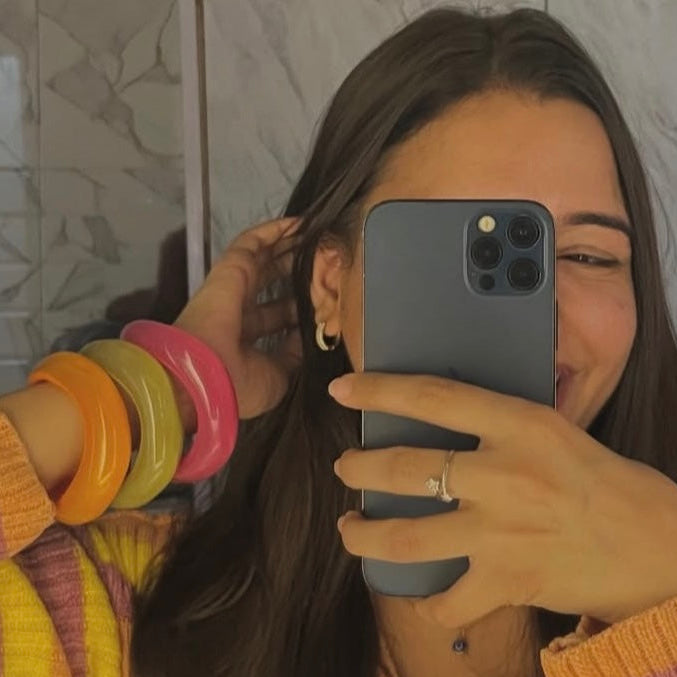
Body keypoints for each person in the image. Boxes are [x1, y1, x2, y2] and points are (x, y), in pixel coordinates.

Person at [1, 6, 677, 677]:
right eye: (459, 255)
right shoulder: (120, 614)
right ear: (332, 287)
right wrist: (159, 391)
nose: (534, 318)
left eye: (588, 256)